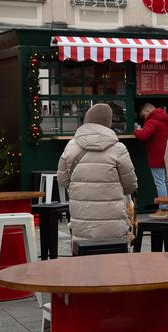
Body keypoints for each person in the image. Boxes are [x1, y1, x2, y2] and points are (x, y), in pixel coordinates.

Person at [58, 103, 139, 245]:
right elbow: (131, 185)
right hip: (113, 226)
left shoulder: (71, 146)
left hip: (82, 223)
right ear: (108, 123)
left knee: (84, 263)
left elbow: (63, 180)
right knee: (114, 263)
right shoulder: (118, 149)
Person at [132, 101, 168, 200]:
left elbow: (143, 135)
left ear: (148, 110)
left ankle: (164, 207)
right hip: (166, 154)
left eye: (144, 115)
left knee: (159, 182)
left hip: (156, 155)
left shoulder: (152, 121)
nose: (144, 117)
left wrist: (135, 130)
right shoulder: (164, 118)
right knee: (166, 181)